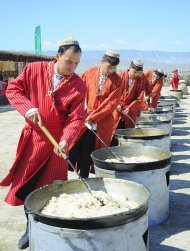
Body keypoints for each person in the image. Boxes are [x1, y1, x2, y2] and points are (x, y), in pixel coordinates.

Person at [0, 38, 86, 249]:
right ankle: (30, 227)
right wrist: (28, 108)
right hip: (34, 140)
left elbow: (77, 118)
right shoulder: (34, 69)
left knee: (53, 189)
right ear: (57, 56)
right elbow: (13, 90)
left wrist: (66, 139)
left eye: (76, 63)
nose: (72, 68)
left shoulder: (78, 84)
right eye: (68, 62)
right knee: (28, 186)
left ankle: (48, 228)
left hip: (57, 144)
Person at [69, 50, 122, 178]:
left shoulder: (117, 80)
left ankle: (86, 177)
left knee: (92, 151)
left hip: (102, 121)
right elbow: (79, 91)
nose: (111, 70)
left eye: (114, 68)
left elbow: (112, 103)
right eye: (109, 67)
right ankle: (78, 174)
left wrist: (94, 117)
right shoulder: (90, 73)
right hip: (85, 117)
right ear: (103, 62)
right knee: (78, 147)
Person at [113, 59, 146, 131]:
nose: (136, 74)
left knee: (128, 131)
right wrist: (117, 104)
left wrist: (129, 108)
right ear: (130, 68)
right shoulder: (119, 76)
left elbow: (139, 98)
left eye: (138, 73)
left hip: (130, 110)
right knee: (115, 130)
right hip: (117, 109)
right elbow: (112, 94)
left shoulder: (140, 81)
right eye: (134, 72)